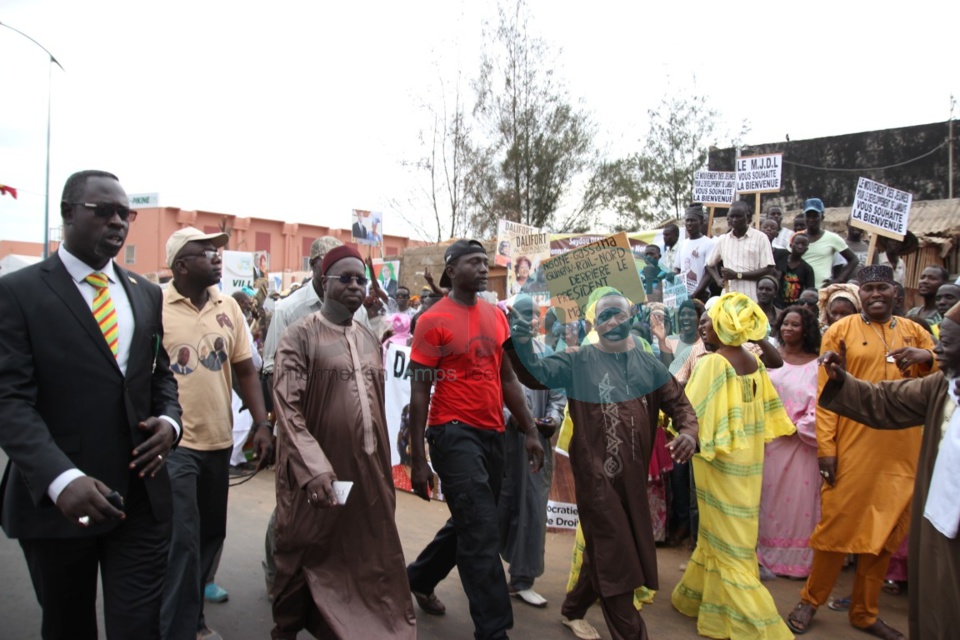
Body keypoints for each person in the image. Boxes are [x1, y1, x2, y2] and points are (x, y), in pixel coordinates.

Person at [0, 170, 182, 639]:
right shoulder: (18, 293)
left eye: (126, 214)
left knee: (138, 625)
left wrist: (169, 423)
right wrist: (62, 480)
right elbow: (10, 401)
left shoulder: (145, 293)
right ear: (68, 213)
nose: (118, 222)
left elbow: (159, 375)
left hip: (140, 496)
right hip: (61, 504)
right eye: (104, 211)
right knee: (67, 626)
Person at [507, 290, 699, 640]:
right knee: (616, 559)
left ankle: (573, 608)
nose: (613, 321)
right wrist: (519, 342)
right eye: (605, 316)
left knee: (607, 551)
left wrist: (688, 432)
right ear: (595, 323)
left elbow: (680, 406)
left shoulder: (649, 365)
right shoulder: (578, 360)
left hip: (634, 481)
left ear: (630, 318)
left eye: (619, 315)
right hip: (597, 479)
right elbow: (537, 374)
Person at [270, 244, 416, 639]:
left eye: (359, 280)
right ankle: (285, 628)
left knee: (363, 551)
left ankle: (354, 624)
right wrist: (314, 468)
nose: (354, 286)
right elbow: (288, 409)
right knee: (304, 549)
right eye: (344, 279)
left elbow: (377, 408)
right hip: (318, 470)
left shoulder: (369, 338)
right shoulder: (298, 337)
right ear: (323, 283)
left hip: (366, 468)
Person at [787, 265, 937, 639]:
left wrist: (926, 357)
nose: (875, 295)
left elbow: (941, 379)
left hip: (903, 450)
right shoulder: (840, 331)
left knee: (885, 534)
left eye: (882, 288)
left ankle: (864, 612)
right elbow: (825, 396)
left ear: (896, 292)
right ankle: (810, 599)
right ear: (861, 293)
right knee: (836, 528)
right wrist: (827, 449)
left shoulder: (916, 331)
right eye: (868, 288)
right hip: (853, 447)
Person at [405, 240, 544, 640]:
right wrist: (418, 460)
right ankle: (494, 630)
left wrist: (530, 430)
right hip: (452, 433)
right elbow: (418, 392)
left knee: (473, 520)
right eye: (474, 262)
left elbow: (507, 379)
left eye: (486, 262)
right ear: (451, 270)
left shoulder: (495, 317)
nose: (484, 268)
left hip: (493, 434)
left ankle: (418, 576)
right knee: (482, 529)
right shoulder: (432, 320)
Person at [818, 300, 960, 640]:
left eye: (948, 342)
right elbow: (887, 399)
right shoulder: (944, 385)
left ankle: (865, 611)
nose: (937, 347)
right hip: (939, 515)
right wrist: (843, 380)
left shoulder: (919, 343)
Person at [161, 227, 274, 640]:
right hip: (175, 446)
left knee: (211, 534)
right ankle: (182, 627)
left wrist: (261, 425)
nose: (216, 256)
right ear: (181, 265)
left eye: (217, 250)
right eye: (205, 251)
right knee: (184, 541)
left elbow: (246, 368)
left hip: (219, 442)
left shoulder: (228, 307)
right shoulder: (156, 305)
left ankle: (189, 614)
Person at [670, 293, 796, 640]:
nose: (703, 326)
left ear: (726, 325)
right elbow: (768, 415)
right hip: (748, 464)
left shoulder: (714, 364)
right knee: (730, 536)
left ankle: (757, 621)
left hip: (719, 464)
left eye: (708, 322)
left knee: (722, 537)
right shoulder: (754, 364)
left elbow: (690, 410)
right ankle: (700, 601)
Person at [259, 236, 370, 598]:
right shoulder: (289, 310)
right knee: (293, 510)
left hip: (347, 432)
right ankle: (280, 578)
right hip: (302, 425)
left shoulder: (360, 310)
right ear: (317, 271)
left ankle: (328, 581)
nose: (349, 282)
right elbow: (271, 366)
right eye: (332, 267)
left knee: (341, 506)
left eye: (357, 276)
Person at [497, 299, 567, 609]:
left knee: (533, 510)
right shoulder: (498, 353)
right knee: (500, 505)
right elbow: (489, 393)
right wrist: (507, 415)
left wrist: (552, 418)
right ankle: (486, 571)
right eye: (522, 314)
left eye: (532, 316)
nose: (527, 320)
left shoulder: (547, 356)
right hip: (500, 444)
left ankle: (522, 580)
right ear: (511, 318)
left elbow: (558, 397)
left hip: (536, 445)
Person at [758, 306, 822, 578]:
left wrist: (798, 427)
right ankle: (766, 558)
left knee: (800, 505)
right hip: (769, 443)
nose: (788, 328)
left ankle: (798, 563)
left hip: (801, 445)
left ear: (807, 330)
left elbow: (822, 406)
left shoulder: (817, 364)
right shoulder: (768, 359)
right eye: (785, 323)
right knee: (767, 501)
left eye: (795, 324)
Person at [704, 200, 776, 300]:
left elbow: (769, 269)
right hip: (729, 297)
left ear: (748, 217)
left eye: (738, 216)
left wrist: (737, 275)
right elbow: (709, 264)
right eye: (731, 216)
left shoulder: (760, 238)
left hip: (752, 298)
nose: (734, 220)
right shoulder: (722, 240)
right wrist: (718, 280)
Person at [802, 198, 859, 287]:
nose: (811, 219)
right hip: (800, 290)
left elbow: (854, 259)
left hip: (823, 290)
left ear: (822, 217)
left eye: (815, 216)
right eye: (808, 215)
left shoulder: (832, 238)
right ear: (804, 217)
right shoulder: (797, 238)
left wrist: (839, 279)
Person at [678, 205, 716, 299]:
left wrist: (695, 294)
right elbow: (678, 269)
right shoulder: (682, 244)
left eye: (693, 220)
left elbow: (709, 273)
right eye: (687, 220)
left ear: (701, 222)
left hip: (701, 296)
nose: (689, 223)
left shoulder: (709, 243)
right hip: (683, 296)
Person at [773, 231, 816, 307]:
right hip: (775, 303)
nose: (800, 246)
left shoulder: (807, 269)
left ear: (807, 248)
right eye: (797, 243)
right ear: (790, 244)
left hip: (794, 307)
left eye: (803, 244)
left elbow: (810, 290)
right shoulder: (779, 258)